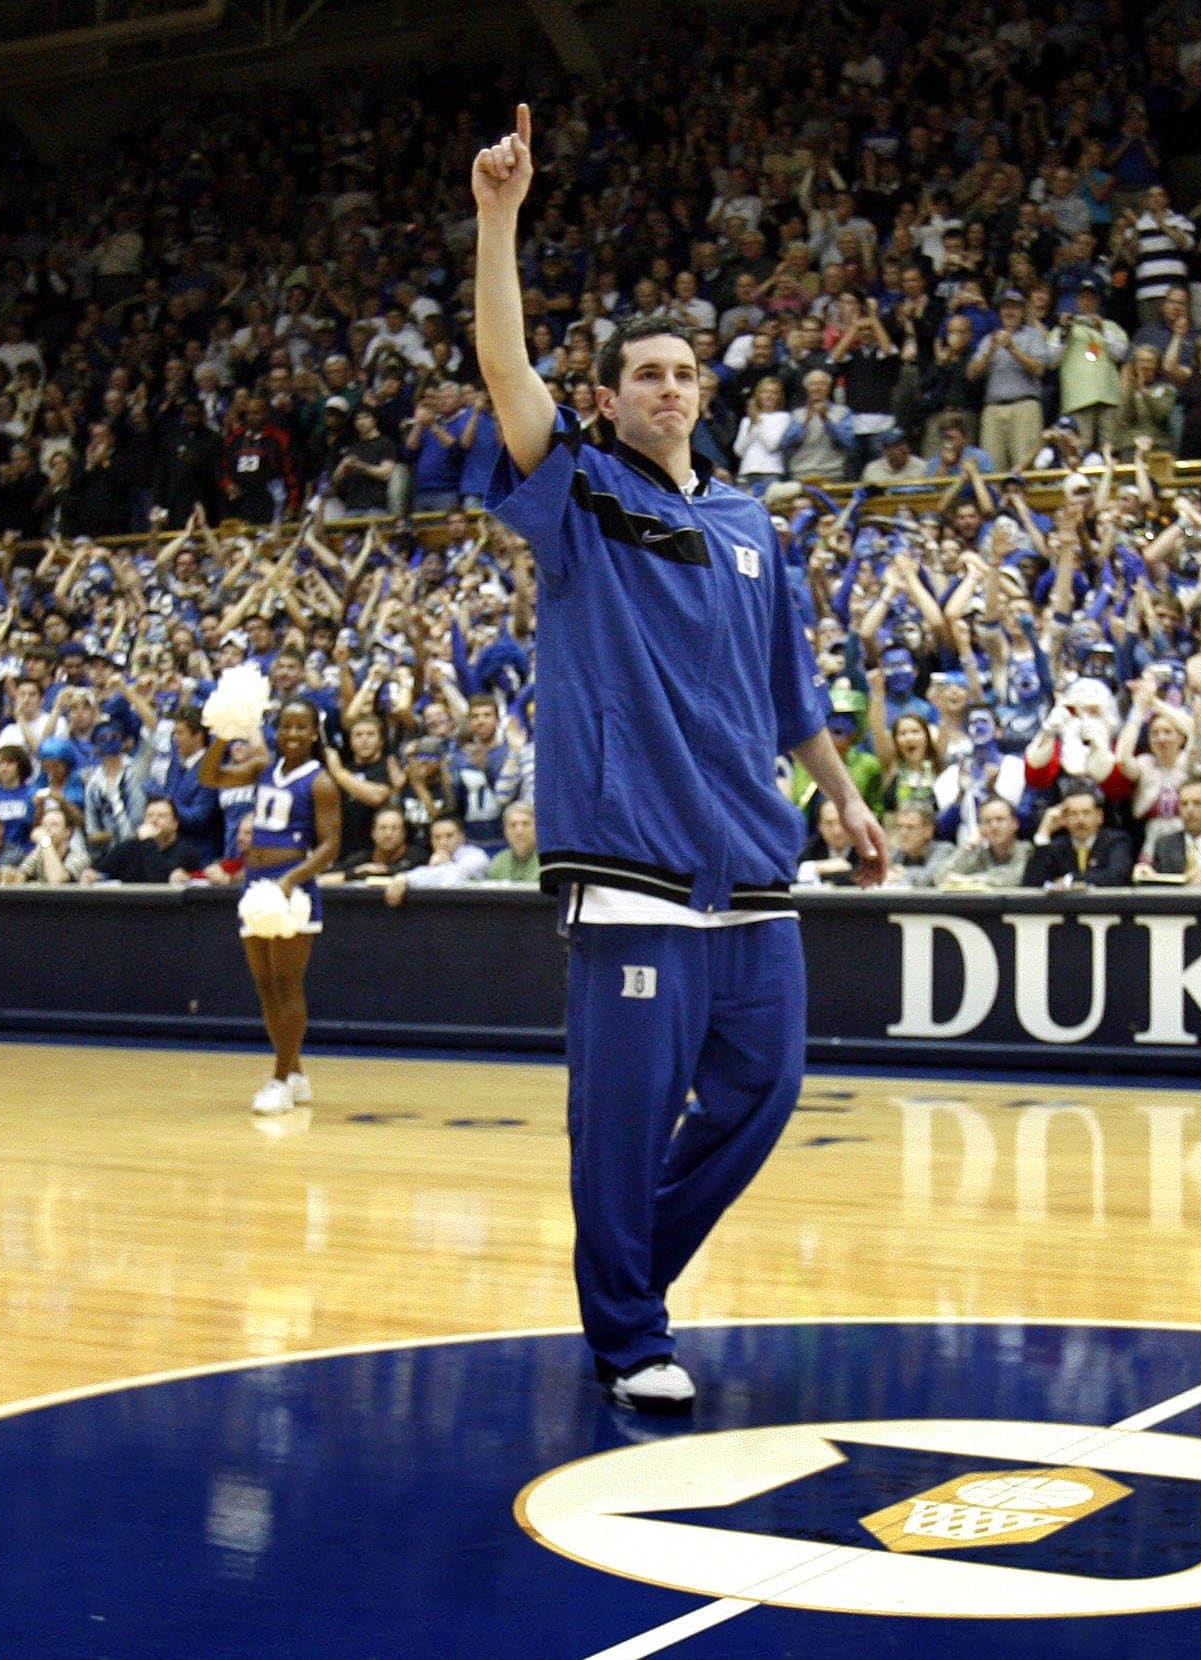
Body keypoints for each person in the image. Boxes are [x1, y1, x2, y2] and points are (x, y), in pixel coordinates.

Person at [473, 106, 885, 1415]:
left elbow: (790, 692)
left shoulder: (755, 522)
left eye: (682, 373)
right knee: (620, 1131)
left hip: (754, 867)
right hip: (632, 869)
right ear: (607, 398)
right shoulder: (579, 491)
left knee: (765, 1092)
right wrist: (499, 222)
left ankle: (626, 1273)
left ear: (705, 395)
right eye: (642, 373)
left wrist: (847, 798)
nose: (665, 387)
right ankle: (631, 1331)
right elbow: (504, 375)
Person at [200, 705, 341, 1116]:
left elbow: (330, 846)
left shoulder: (321, 782)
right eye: (285, 726)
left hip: (290, 886)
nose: (292, 733)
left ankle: (279, 1079)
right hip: (255, 885)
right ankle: (295, 1072)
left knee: (287, 982)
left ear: (314, 732)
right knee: (264, 983)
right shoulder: (262, 767)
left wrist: (292, 880)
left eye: (302, 726)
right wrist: (225, 735)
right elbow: (210, 777)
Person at [1024, 789, 1134, 887]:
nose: (1080, 820)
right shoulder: (1056, 847)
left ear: (1100, 816)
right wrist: (1044, 832)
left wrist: (1071, 879)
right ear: (1064, 818)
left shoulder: (1116, 841)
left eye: (1086, 813)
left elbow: (1117, 876)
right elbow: (1032, 884)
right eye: (1073, 814)